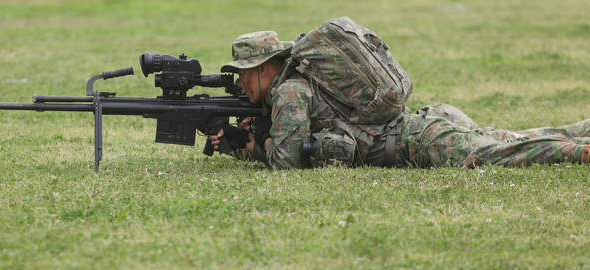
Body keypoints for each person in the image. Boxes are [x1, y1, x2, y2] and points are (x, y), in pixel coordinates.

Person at [208, 31, 590, 169]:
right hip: (425, 124)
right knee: (504, 139)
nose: (240, 81)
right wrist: (253, 139)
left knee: (497, 153)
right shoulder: (297, 82)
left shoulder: (291, 90)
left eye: (244, 72)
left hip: (420, 141)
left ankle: (578, 151)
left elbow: (287, 161)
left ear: (264, 68)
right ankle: (580, 131)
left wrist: (258, 145)